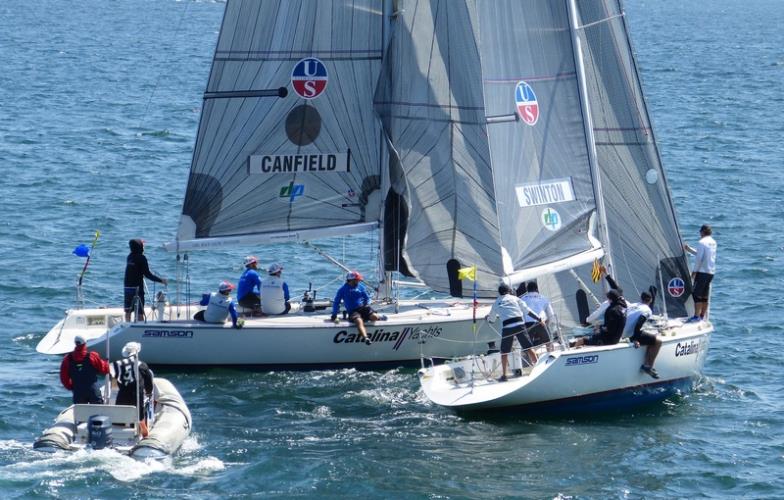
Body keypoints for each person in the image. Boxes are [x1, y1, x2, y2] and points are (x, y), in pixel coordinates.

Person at [486, 284, 542, 381]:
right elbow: (527, 311)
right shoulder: (515, 298)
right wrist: (538, 318)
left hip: (507, 327)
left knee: (504, 352)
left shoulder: (496, 303)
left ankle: (504, 376)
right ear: (509, 291)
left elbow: (491, 320)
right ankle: (540, 371)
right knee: (529, 348)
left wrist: (486, 318)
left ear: (499, 293)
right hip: (519, 324)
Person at [330, 271, 387, 345]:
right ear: (351, 280)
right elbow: (336, 302)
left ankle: (379, 317)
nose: (358, 282)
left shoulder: (361, 287)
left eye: (358, 280)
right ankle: (365, 338)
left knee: (374, 317)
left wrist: (367, 303)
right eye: (356, 280)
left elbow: (367, 298)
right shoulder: (342, 290)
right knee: (359, 321)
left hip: (363, 308)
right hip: (353, 311)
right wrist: (334, 314)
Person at [111, 342, 154, 436]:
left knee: (120, 417)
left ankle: (121, 430)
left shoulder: (120, 365)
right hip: (137, 400)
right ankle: (143, 428)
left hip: (122, 398)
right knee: (140, 415)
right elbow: (149, 383)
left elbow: (116, 381)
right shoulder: (142, 365)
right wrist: (149, 393)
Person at [124, 238, 168, 322]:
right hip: (137, 289)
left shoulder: (129, 257)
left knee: (128, 311)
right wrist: (162, 280)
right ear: (139, 247)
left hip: (127, 288)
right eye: (143, 245)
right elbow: (148, 275)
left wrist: (140, 273)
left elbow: (134, 269)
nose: (144, 247)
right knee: (140, 313)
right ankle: (140, 328)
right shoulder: (142, 258)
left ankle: (128, 325)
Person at [59, 335, 110, 404]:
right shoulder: (92, 356)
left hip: (78, 392)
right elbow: (105, 370)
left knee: (80, 413)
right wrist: (106, 362)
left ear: (75, 344)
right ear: (85, 344)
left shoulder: (67, 359)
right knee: (98, 412)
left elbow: (64, 378)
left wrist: (72, 387)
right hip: (93, 391)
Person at [624, 291, 662, 379]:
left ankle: (646, 363)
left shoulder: (632, 305)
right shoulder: (647, 310)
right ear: (651, 300)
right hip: (630, 334)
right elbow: (639, 323)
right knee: (658, 341)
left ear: (640, 298)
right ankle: (648, 367)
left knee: (650, 339)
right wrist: (634, 338)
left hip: (621, 332)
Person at [684, 224, 717, 322]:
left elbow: (699, 258)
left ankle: (696, 316)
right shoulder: (713, 242)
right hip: (710, 272)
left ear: (702, 232)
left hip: (702, 272)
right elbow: (703, 254)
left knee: (696, 294)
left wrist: (694, 272)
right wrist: (689, 249)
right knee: (704, 295)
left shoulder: (702, 242)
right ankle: (702, 315)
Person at [520, 281, 555, 347]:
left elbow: (520, 314)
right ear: (537, 289)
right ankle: (551, 354)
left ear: (527, 290)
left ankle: (529, 357)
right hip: (541, 323)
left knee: (527, 346)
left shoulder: (522, 299)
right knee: (548, 341)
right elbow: (551, 314)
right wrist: (547, 324)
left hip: (528, 325)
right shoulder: (544, 298)